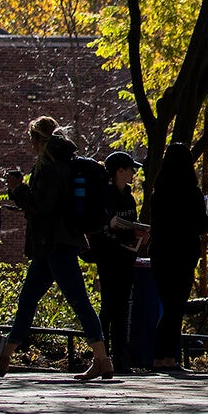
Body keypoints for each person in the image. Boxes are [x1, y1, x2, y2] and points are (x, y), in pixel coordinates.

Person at [0, 116, 111, 380]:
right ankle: (4, 358)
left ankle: (102, 359)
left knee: (78, 301)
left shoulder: (52, 167)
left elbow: (42, 205)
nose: (30, 144)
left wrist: (18, 191)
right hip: (51, 245)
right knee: (28, 299)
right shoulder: (63, 164)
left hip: (57, 244)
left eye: (32, 139)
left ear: (39, 139)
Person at [147, 141, 208, 371]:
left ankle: (160, 357)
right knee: (176, 307)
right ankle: (167, 358)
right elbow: (202, 225)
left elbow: (155, 226)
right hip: (184, 254)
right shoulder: (191, 193)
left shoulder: (158, 192)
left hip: (161, 254)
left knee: (169, 305)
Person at [89, 151, 146, 375]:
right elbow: (99, 226)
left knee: (122, 309)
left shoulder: (129, 197)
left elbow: (130, 224)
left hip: (126, 259)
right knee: (109, 307)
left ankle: (121, 359)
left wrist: (139, 235)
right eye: (130, 168)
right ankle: (102, 357)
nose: (134, 172)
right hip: (109, 258)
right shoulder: (105, 195)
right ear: (119, 171)